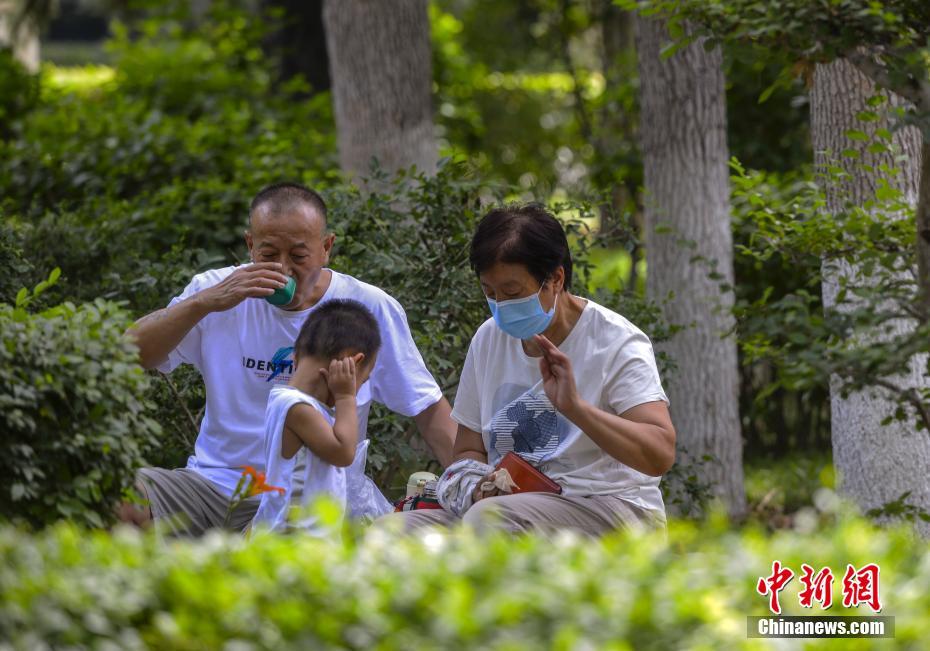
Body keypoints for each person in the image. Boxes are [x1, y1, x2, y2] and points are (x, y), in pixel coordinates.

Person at [119, 182, 455, 535]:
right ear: (250, 245)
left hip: (307, 499)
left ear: (326, 248)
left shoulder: (367, 307)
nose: (283, 269)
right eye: (268, 254)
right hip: (212, 485)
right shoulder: (215, 290)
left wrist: (467, 487)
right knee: (119, 497)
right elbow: (130, 354)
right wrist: (205, 302)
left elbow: (427, 409)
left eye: (298, 256)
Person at [380, 203, 676, 536]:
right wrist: (477, 487)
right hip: (507, 507)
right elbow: (467, 449)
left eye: (512, 292)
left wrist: (576, 409)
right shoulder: (488, 338)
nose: (500, 306)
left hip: (609, 505)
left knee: (492, 519)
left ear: (555, 279)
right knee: (391, 534)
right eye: (489, 292)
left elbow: (659, 453)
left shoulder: (615, 341)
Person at [252, 299, 381, 534]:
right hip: (294, 541)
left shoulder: (286, 401)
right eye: (362, 380)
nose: (358, 388)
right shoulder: (296, 407)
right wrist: (345, 396)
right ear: (351, 363)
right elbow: (343, 453)